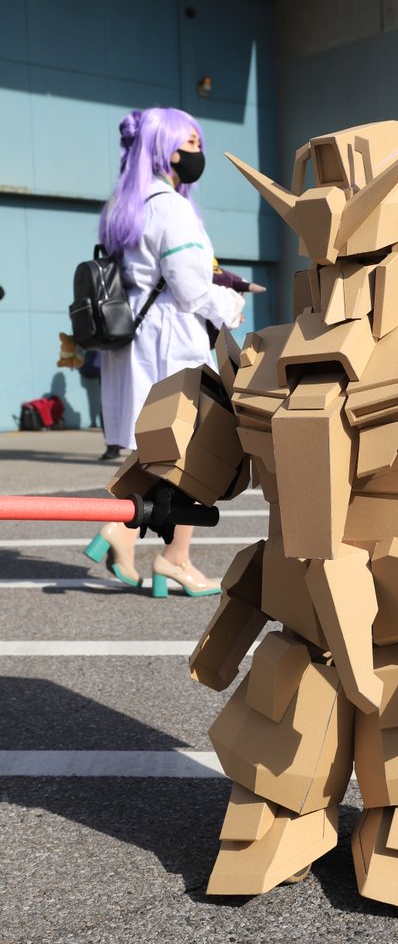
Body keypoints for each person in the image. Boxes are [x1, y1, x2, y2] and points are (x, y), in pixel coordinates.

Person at [83, 107, 245, 595]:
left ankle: (127, 533)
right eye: (189, 144)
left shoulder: (123, 205)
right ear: (164, 149)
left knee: (159, 448)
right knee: (194, 445)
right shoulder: (171, 207)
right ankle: (170, 557)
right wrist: (232, 304)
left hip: (136, 338)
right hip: (171, 339)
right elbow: (192, 287)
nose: (197, 153)